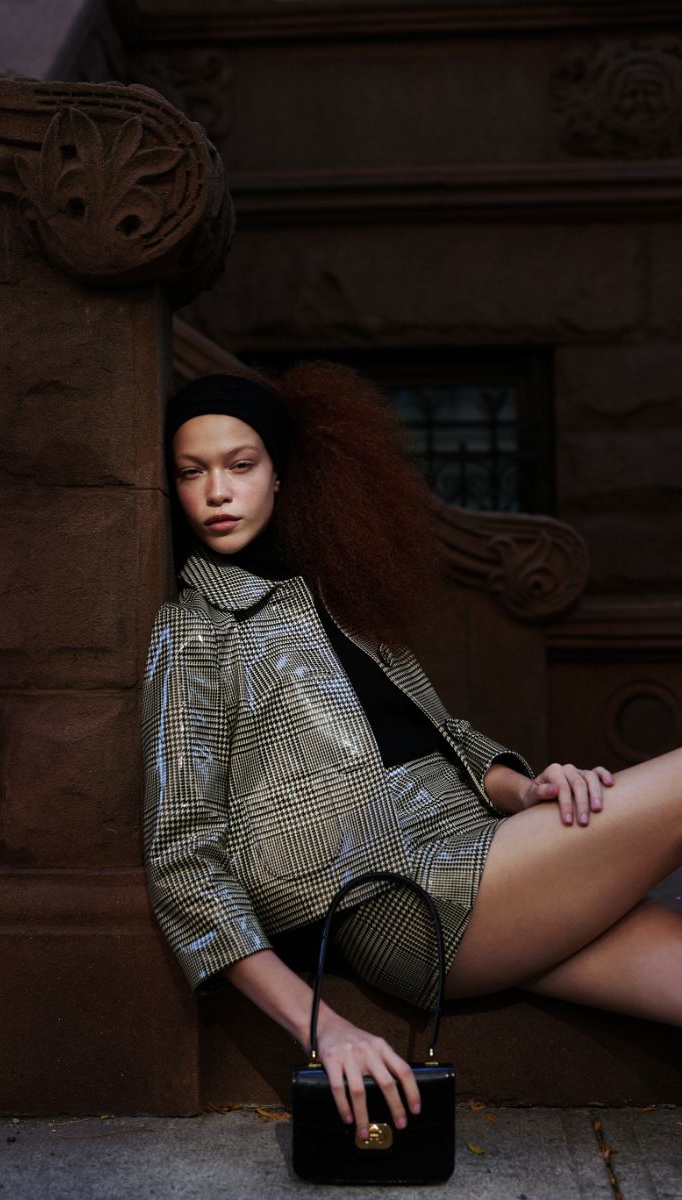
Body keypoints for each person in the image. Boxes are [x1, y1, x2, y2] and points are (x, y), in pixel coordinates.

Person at [140, 363, 682, 1143]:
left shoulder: (331, 591)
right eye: (192, 472)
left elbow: (443, 733)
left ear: (280, 475)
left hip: (484, 845)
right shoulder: (195, 630)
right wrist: (323, 1025)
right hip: (401, 899)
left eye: (240, 464)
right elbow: (184, 859)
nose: (217, 492)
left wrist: (525, 790)